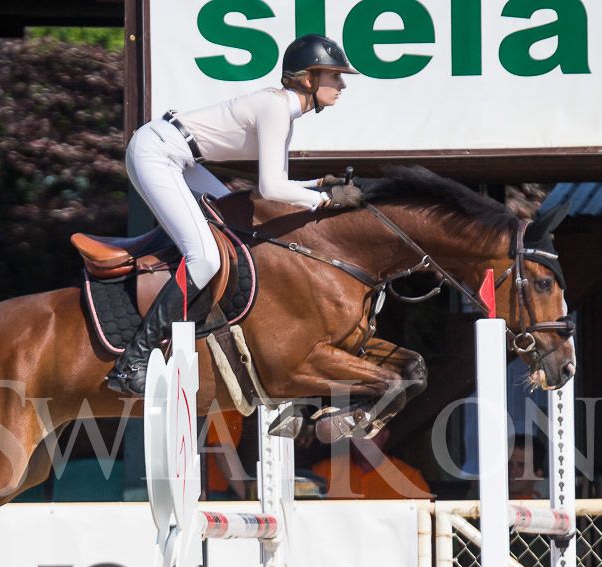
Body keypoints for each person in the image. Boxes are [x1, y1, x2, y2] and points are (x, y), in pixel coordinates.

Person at [106, 34, 362, 395]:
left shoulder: (283, 110)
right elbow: (272, 189)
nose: (342, 85)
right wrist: (325, 200)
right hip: (157, 153)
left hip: (178, 156)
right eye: (335, 76)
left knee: (234, 219)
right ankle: (132, 361)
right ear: (308, 79)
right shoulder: (276, 108)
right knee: (206, 258)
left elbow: (275, 184)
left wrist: (320, 184)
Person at [311, 426, 432, 499]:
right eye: (359, 432)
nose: (365, 438)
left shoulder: (411, 479)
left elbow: (425, 525)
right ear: (349, 438)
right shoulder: (322, 472)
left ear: (385, 436)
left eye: (372, 431)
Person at [508, 433, 549, 500]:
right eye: (509, 464)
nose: (512, 470)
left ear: (538, 473)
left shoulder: (547, 504)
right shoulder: (490, 502)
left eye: (521, 465)